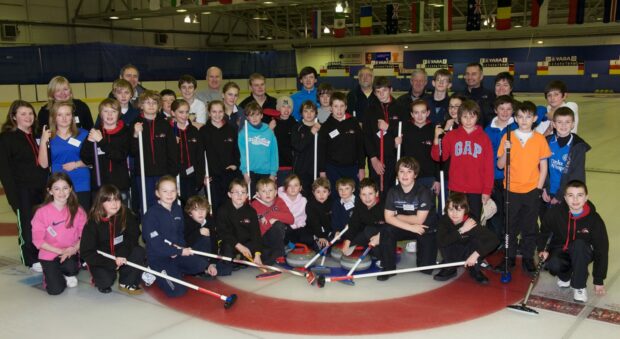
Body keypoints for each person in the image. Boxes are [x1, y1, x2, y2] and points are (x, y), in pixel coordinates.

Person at [496, 101, 551, 274]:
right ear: (515, 118)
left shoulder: (540, 139)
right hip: (511, 189)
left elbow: (544, 167)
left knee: (529, 227)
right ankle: (509, 257)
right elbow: (499, 165)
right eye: (520, 117)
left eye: (528, 117)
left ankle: (528, 258)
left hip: (531, 190)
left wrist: (538, 189)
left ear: (535, 118)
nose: (524, 120)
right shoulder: (508, 137)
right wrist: (506, 151)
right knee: (510, 226)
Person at [538, 180, 608, 303]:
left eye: (579, 195)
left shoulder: (594, 220)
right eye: (571, 195)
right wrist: (542, 250)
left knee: (579, 245)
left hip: (583, 252)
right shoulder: (555, 213)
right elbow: (544, 232)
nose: (575, 200)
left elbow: (601, 250)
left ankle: (579, 286)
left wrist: (599, 280)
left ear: (586, 197)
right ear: (565, 198)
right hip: (562, 249)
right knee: (553, 264)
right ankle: (565, 276)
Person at [0, 100, 48, 272]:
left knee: (40, 223)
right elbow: (4, 172)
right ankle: (30, 258)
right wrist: (13, 198)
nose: (28, 117)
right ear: (14, 117)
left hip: (40, 189)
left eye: (30, 113)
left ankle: (42, 252)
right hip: (22, 191)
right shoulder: (7, 139)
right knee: (26, 225)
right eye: (23, 114)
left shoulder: (36, 135)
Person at [141, 176, 208, 297]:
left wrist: (180, 248)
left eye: (173, 190)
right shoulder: (151, 215)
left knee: (201, 265)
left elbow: (180, 234)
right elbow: (154, 243)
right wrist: (178, 251)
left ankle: (173, 271)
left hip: (176, 253)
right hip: (159, 258)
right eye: (165, 191)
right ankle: (153, 270)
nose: (169, 194)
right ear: (157, 193)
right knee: (177, 291)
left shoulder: (177, 209)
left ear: (177, 192)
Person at [431, 100, 494, 222]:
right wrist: (436, 140)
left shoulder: (484, 138)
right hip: (456, 187)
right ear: (459, 117)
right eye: (465, 116)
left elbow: (489, 167)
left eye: (472, 116)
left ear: (477, 117)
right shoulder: (451, 135)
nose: (469, 120)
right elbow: (439, 157)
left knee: (473, 222)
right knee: (456, 220)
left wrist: (487, 190)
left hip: (476, 189)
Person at [378, 157, 437, 280]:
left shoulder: (424, 192)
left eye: (409, 171)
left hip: (424, 228)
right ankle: (388, 268)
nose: (405, 175)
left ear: (415, 175)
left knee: (425, 270)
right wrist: (410, 227)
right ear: (397, 174)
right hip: (407, 226)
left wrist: (397, 216)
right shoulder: (393, 191)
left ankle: (426, 260)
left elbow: (419, 220)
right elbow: (388, 218)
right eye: (401, 171)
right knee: (386, 230)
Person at [80, 185, 145, 294]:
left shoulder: (126, 213)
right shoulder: (92, 223)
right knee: (105, 282)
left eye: (117, 199)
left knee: (139, 252)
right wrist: (111, 262)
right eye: (109, 200)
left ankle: (126, 281)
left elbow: (133, 235)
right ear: (101, 202)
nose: (114, 204)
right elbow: (86, 252)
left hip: (121, 252)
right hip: (103, 258)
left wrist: (122, 254)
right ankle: (98, 276)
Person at [31, 173, 87, 295]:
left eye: (65, 188)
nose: (61, 192)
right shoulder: (41, 212)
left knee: (71, 267)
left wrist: (73, 249)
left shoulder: (78, 210)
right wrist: (61, 251)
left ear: (71, 189)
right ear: (50, 191)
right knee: (55, 290)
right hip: (49, 253)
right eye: (56, 188)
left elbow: (85, 236)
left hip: (70, 251)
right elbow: (38, 241)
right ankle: (51, 274)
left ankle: (69, 273)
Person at [434, 192, 499, 284]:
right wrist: (461, 230)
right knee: (443, 238)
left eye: (459, 210)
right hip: (452, 252)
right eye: (451, 209)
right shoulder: (444, 221)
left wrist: (476, 254)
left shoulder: (471, 222)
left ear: (465, 210)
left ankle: (474, 268)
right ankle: (450, 267)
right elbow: (441, 242)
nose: (454, 213)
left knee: (477, 238)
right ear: (446, 209)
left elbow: (494, 240)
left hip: (469, 252)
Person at [131, 91, 179, 213]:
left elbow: (173, 151)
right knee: (147, 205)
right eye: (147, 102)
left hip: (163, 173)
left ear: (159, 106)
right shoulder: (134, 123)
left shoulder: (165, 124)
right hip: (143, 174)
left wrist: (172, 173)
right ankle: (149, 231)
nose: (151, 105)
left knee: (166, 204)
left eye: (154, 103)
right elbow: (131, 151)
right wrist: (135, 135)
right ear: (141, 105)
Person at [38, 101, 91, 210]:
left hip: (81, 182)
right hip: (58, 185)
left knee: (82, 219)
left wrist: (77, 164)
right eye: (60, 115)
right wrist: (43, 141)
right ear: (54, 117)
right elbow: (43, 164)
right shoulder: (48, 136)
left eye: (68, 114)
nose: (64, 118)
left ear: (72, 116)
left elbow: (92, 159)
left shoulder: (84, 134)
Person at [80, 99, 131, 204]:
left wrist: (101, 141)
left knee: (121, 218)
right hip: (99, 186)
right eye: (106, 111)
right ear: (100, 114)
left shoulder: (125, 132)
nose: (110, 114)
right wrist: (89, 142)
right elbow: (86, 159)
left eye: (113, 111)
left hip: (120, 186)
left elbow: (120, 155)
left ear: (119, 114)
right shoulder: (95, 131)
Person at [363, 76, 406, 196]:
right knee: (377, 191)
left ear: (391, 90)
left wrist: (389, 128)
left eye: (384, 90)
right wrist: (373, 158)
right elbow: (366, 136)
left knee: (394, 191)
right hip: (377, 159)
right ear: (375, 93)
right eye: (378, 91)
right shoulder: (370, 110)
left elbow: (406, 131)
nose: (381, 94)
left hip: (395, 158)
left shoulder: (401, 108)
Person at [198, 100, 241, 215]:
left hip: (229, 175)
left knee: (232, 207)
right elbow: (200, 156)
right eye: (214, 112)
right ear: (209, 113)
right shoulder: (203, 131)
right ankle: (218, 231)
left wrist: (235, 165)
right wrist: (203, 175)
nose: (217, 115)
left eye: (220, 111)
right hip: (213, 177)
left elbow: (236, 150)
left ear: (224, 112)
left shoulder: (231, 129)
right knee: (216, 208)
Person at [484, 95, 516, 240]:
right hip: (493, 177)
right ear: (495, 110)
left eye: (508, 109)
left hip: (512, 179)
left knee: (509, 212)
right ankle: (495, 241)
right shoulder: (488, 130)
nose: (505, 112)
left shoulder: (517, 127)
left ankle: (509, 241)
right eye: (501, 108)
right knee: (495, 212)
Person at [543, 107, 590, 206]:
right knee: (546, 220)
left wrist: (560, 196)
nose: (563, 125)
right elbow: (540, 168)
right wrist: (543, 189)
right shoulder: (546, 142)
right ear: (554, 124)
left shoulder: (578, 146)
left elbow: (577, 175)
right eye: (559, 122)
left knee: (563, 221)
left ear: (573, 124)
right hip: (547, 193)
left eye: (567, 122)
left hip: (566, 195)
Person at [216, 178, 263, 276]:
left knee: (266, 253)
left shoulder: (251, 212)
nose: (239, 195)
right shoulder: (222, 210)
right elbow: (224, 233)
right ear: (230, 194)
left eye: (243, 192)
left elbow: (256, 234)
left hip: (246, 243)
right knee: (226, 266)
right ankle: (236, 260)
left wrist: (257, 254)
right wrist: (240, 247)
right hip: (230, 243)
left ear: (247, 195)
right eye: (236, 192)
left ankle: (240, 259)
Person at [318, 92, 365, 190]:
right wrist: (322, 171)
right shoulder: (326, 126)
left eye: (342, 106)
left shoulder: (354, 123)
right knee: (335, 196)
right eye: (335, 106)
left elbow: (360, 146)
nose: (339, 110)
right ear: (331, 108)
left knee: (353, 197)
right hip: (333, 169)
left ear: (346, 107)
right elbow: (321, 150)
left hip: (352, 168)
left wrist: (361, 168)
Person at [396, 99, 440, 198]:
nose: (420, 116)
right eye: (416, 113)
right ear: (411, 114)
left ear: (428, 113)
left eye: (423, 112)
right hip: (409, 177)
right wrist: (396, 145)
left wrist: (437, 179)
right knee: (410, 208)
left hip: (429, 177)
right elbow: (400, 154)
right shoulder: (405, 129)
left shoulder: (435, 130)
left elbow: (439, 157)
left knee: (429, 208)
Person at [238, 101, 279, 194]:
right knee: (252, 201)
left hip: (267, 173)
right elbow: (242, 154)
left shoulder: (269, 132)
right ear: (247, 117)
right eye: (251, 115)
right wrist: (244, 172)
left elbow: (274, 153)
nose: (254, 118)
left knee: (267, 199)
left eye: (257, 114)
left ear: (261, 115)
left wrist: (273, 173)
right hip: (250, 172)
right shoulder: (243, 133)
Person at [251, 178, 294, 264]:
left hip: (277, 236)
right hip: (262, 238)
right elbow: (256, 231)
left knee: (278, 224)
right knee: (266, 259)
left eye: (270, 190)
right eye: (263, 191)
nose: (267, 193)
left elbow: (291, 219)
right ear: (258, 194)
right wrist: (269, 223)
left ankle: (279, 253)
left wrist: (272, 216)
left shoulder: (279, 201)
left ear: (275, 192)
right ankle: (277, 253)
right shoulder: (254, 205)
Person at [341, 178, 385, 258]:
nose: (367, 198)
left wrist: (379, 235)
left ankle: (381, 255)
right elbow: (353, 223)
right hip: (368, 234)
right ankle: (367, 248)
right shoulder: (359, 205)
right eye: (364, 194)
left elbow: (389, 226)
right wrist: (347, 242)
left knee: (369, 230)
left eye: (370, 194)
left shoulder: (384, 206)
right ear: (360, 196)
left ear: (377, 193)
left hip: (383, 233)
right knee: (349, 241)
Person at [170, 99, 203, 204]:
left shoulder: (194, 131)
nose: (184, 115)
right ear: (173, 113)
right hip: (176, 175)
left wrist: (200, 176)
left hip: (192, 176)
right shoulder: (169, 131)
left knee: (191, 204)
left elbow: (200, 156)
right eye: (180, 112)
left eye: (187, 112)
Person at [183, 195, 218, 278]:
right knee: (204, 238)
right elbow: (184, 243)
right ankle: (201, 269)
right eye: (196, 210)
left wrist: (213, 263)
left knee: (225, 269)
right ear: (190, 213)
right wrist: (198, 232)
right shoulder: (186, 223)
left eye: (203, 209)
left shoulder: (210, 223)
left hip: (207, 257)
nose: (200, 213)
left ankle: (207, 267)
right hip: (190, 256)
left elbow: (214, 244)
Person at [292, 100, 321, 196]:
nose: (309, 114)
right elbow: (299, 147)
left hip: (317, 170)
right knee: (303, 197)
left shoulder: (321, 127)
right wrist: (311, 133)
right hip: (302, 170)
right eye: (306, 111)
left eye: (312, 111)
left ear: (316, 113)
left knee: (317, 196)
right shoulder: (297, 128)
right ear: (301, 113)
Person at [278, 174, 314, 250]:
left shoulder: (304, 200)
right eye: (290, 186)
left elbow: (304, 217)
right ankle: (288, 243)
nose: (293, 188)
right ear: (285, 188)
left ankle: (293, 244)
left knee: (309, 239)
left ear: (300, 188)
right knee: (283, 231)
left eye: (296, 185)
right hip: (286, 227)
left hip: (298, 226)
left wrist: (298, 226)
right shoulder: (280, 199)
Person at [271, 96, 296, 186]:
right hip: (276, 166)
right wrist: (270, 130)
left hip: (291, 166)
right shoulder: (273, 124)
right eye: (283, 106)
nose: (286, 109)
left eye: (289, 107)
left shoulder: (296, 125)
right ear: (278, 108)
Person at [305, 177, 332, 250]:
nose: (321, 195)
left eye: (324, 191)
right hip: (313, 231)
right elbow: (314, 222)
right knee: (305, 237)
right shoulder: (310, 205)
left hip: (327, 232)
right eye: (318, 192)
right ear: (313, 193)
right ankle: (316, 242)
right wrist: (320, 236)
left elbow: (332, 221)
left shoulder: (332, 204)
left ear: (329, 193)